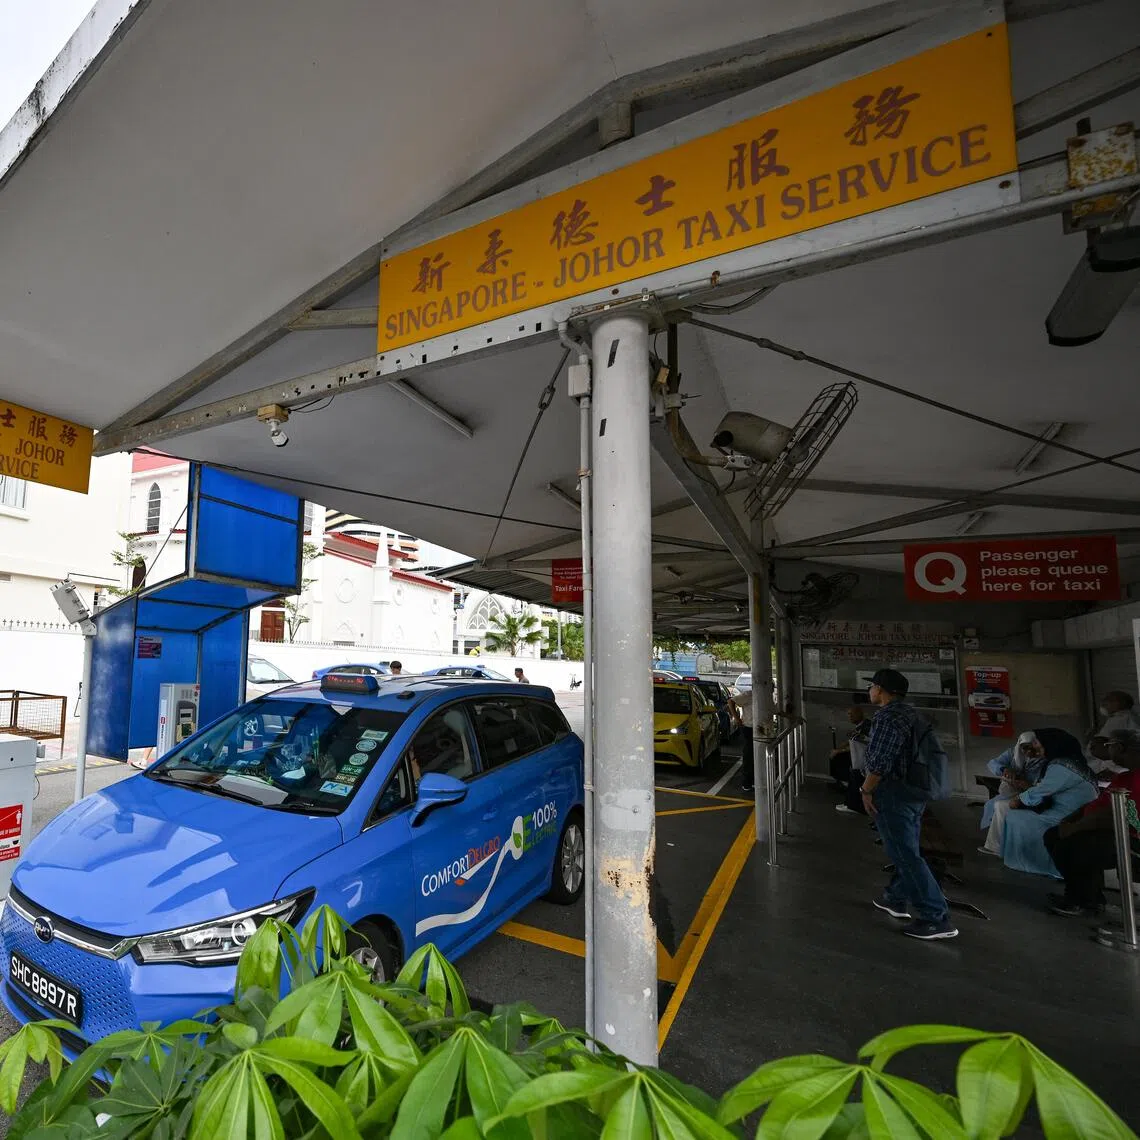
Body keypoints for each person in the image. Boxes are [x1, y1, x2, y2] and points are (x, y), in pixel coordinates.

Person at [860, 668, 957, 941]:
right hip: (913, 792)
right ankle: (895, 897)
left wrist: (866, 790)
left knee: (904, 854)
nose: (870, 691)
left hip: (895, 793)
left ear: (880, 689)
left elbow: (880, 762)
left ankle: (935, 917)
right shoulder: (911, 713)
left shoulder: (889, 718)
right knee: (907, 848)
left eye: (872, 687)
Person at [1044, 730, 1140, 916]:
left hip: (1130, 838)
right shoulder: (1124, 776)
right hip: (1104, 829)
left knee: (1076, 847)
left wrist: (1075, 827)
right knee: (1053, 836)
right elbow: (1099, 803)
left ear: (1119, 747)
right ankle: (1089, 897)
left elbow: (1118, 815)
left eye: (1109, 747)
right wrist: (1071, 819)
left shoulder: (1137, 778)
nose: (1108, 752)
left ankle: (1080, 901)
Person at [996, 727, 1097, 878]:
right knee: (1003, 807)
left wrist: (1019, 800)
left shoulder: (1062, 766)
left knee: (1015, 817)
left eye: (1038, 743)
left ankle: (1031, 863)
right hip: (1072, 810)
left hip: (1067, 814)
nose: (1034, 747)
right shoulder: (1072, 762)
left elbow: (1042, 790)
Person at [977, 731, 1049, 856]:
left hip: (1032, 794)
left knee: (1001, 806)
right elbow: (993, 763)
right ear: (1019, 746)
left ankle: (998, 845)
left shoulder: (1045, 761)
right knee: (992, 805)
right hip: (1012, 792)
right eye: (1024, 748)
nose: (1027, 752)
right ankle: (997, 843)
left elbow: (1045, 787)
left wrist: (1028, 785)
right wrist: (1004, 769)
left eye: (1031, 748)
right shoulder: (1013, 753)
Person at [1087, 692, 1140, 774]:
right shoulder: (1120, 718)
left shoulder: (1122, 719)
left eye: (1110, 700)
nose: (1104, 703)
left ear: (1121, 703)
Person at [829, 706, 869, 788]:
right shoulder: (861, 725)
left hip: (862, 756)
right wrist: (837, 749)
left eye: (852, 714)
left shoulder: (866, 726)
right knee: (836, 755)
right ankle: (843, 781)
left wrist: (838, 751)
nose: (850, 717)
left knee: (838, 757)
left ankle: (845, 782)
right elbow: (850, 740)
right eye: (849, 714)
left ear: (859, 714)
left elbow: (857, 745)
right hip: (858, 754)